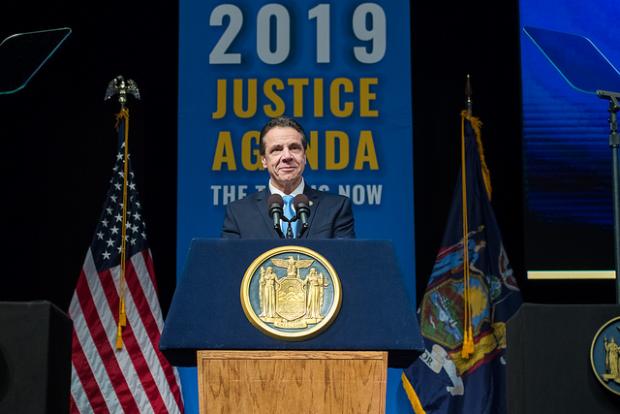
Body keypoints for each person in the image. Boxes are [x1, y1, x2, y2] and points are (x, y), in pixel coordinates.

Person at [221, 116, 355, 239]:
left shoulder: (336, 208)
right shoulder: (239, 213)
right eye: (277, 149)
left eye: (294, 147)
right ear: (264, 160)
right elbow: (229, 262)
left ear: (305, 156)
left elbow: (344, 261)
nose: (287, 156)